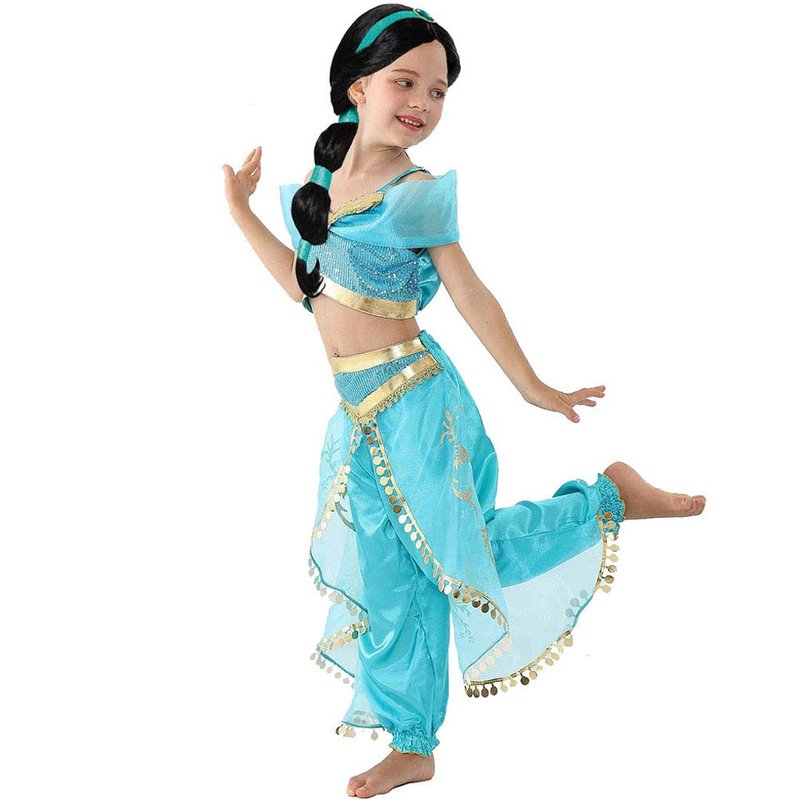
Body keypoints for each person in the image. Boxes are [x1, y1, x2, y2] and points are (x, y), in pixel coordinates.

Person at [222, 5, 707, 797]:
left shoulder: (416, 194)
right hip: (359, 417)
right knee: (391, 581)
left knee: (460, 557)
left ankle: (607, 499)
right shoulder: (326, 183)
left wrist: (533, 386)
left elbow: (472, 293)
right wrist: (240, 212)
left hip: (419, 405)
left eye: (439, 90)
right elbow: (307, 291)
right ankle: (412, 743)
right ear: (357, 87)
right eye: (405, 82)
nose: (422, 101)